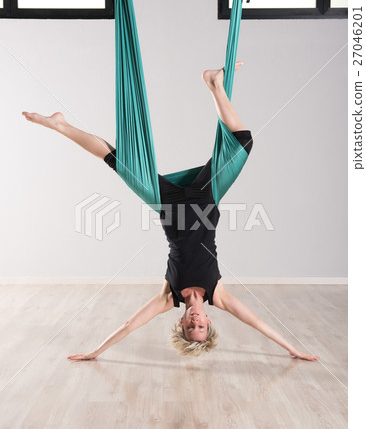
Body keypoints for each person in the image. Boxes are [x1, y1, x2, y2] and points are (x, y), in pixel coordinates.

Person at [22, 62, 320, 361]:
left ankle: (60, 124)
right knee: (243, 142)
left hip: (166, 203)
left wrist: (96, 351)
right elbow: (256, 322)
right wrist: (291, 348)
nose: (195, 322)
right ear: (208, 321)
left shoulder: (169, 297)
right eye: (201, 326)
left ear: (181, 323)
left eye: (191, 327)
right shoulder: (219, 295)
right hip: (206, 198)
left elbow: (130, 324)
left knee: (119, 160)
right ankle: (215, 84)